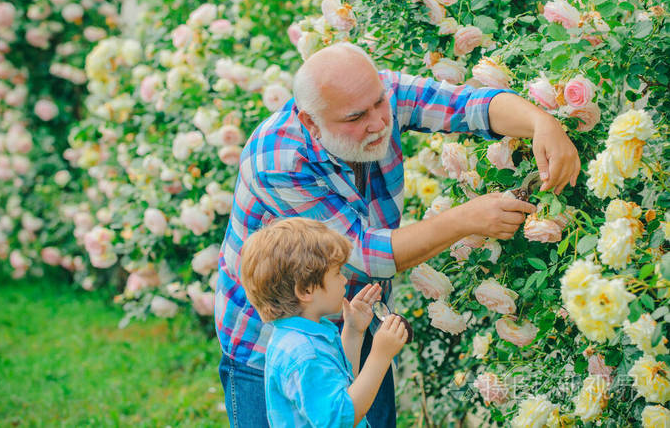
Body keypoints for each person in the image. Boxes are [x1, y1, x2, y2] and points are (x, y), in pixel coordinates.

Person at [215, 42, 581, 428]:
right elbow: (366, 256)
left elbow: (470, 107)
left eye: (379, 104)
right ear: (311, 122)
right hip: (273, 346)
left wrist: (542, 123)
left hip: (354, 323)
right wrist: (467, 219)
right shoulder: (278, 161)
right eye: (356, 117)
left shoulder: (378, 97)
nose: (377, 122)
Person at [239, 217, 408, 427]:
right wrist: (380, 355)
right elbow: (340, 418)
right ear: (306, 290)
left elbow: (340, 384)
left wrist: (354, 331)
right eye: (337, 273)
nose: (344, 280)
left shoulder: (297, 336)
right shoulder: (305, 354)